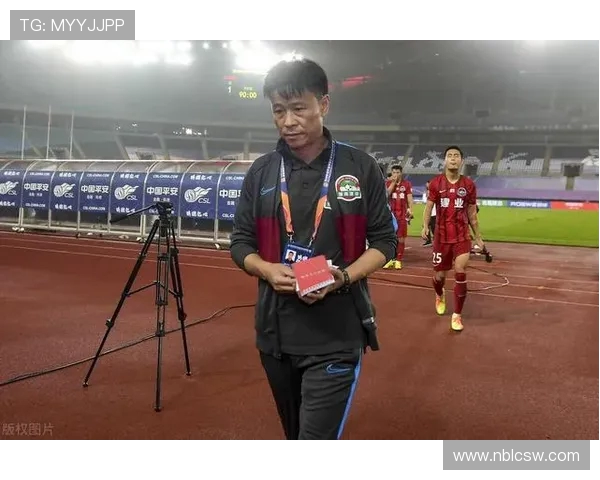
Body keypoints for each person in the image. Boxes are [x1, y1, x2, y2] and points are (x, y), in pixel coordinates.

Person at [229, 58, 398, 440]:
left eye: (298, 108)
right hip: (274, 335)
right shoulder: (262, 171)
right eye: (278, 110)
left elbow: (385, 241)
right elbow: (240, 242)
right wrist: (266, 269)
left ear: (323, 104)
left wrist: (343, 277)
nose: (288, 121)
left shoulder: (360, 167)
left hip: (337, 334)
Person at [421, 146, 484, 332]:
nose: (453, 158)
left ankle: (457, 315)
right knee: (439, 276)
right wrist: (425, 226)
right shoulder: (436, 183)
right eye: (450, 156)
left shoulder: (469, 185)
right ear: (445, 160)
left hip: (462, 237)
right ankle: (439, 294)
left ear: (461, 161)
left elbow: (472, 214)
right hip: (441, 237)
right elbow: (428, 207)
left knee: (460, 270)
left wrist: (478, 237)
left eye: (457, 156)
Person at [383, 164, 413, 269]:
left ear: (401, 173)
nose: (395, 174)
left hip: (402, 216)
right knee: (391, 238)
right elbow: (387, 194)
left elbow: (410, 199)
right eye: (394, 172)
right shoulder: (387, 183)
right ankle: (391, 259)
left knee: (401, 238)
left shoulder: (407, 184)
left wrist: (410, 209)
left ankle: (398, 260)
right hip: (391, 216)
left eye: (397, 172)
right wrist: (393, 182)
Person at [421, 180, 436, 247]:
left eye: (428, 184)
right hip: (430, 212)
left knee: (433, 228)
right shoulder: (428, 192)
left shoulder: (434, 191)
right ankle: (429, 241)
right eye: (426, 184)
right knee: (425, 225)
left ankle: (434, 241)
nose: (427, 185)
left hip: (434, 213)